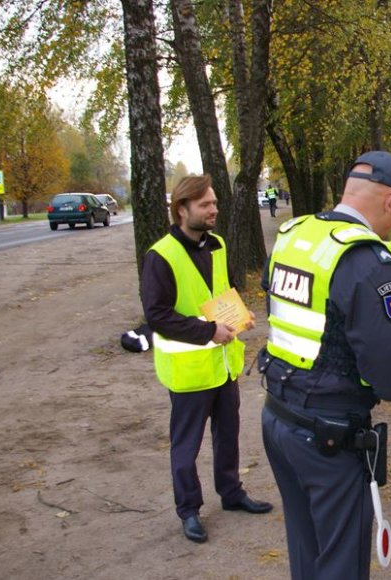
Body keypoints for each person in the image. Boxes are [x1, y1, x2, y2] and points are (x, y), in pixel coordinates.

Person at [260, 150, 391, 580]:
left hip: (279, 415)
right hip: (328, 435)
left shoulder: (296, 235)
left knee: (307, 547)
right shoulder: (369, 261)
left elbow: (286, 309)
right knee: (340, 562)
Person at [141, 175, 273, 544]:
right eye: (205, 205)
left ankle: (231, 494)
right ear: (182, 209)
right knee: (186, 446)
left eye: (214, 203)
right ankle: (189, 511)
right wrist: (209, 331)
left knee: (228, 435)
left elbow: (222, 292)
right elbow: (157, 316)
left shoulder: (216, 244)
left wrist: (235, 317)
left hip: (224, 366)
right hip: (189, 372)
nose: (214, 209)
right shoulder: (161, 256)